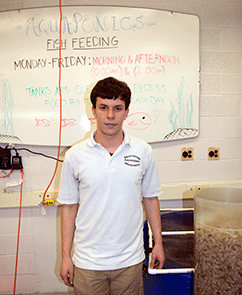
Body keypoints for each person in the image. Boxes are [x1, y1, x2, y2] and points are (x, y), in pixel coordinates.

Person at [57, 77, 165, 294]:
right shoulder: (75, 155)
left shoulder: (143, 151)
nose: (110, 116)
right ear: (93, 110)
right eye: (103, 107)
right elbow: (69, 208)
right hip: (88, 263)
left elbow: (151, 199)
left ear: (126, 112)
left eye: (117, 108)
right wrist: (66, 256)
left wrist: (158, 244)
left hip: (130, 261)